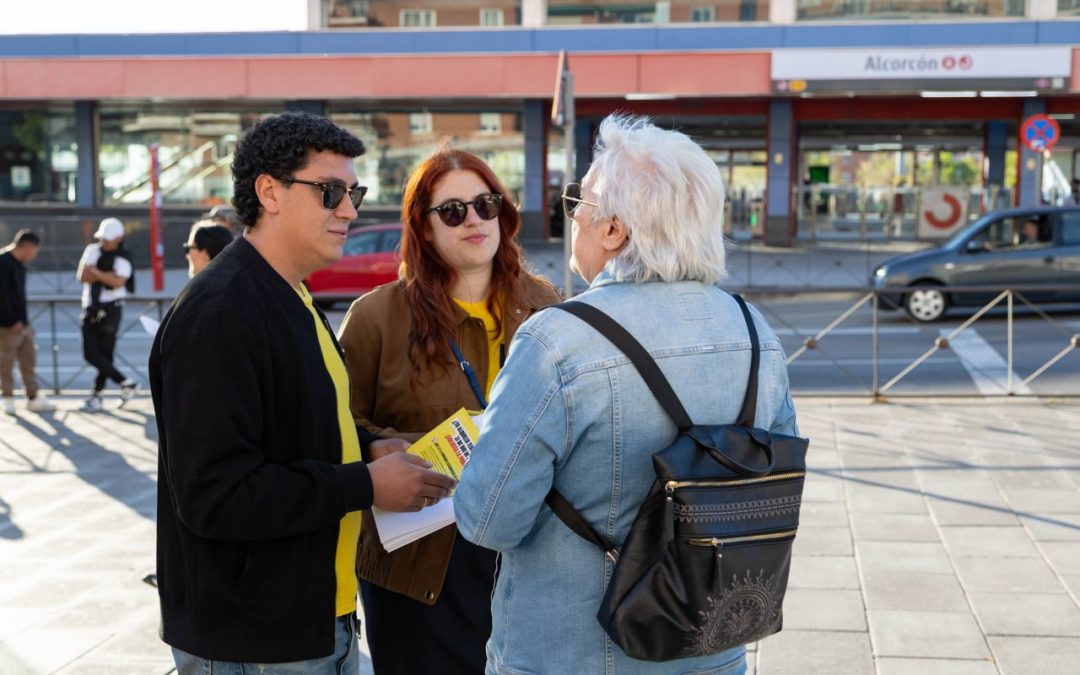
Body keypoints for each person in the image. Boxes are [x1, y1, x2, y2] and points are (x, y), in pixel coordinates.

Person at [454, 115, 800, 675]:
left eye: (578, 205)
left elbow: (489, 521)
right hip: (713, 643)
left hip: (572, 653)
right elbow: (774, 481)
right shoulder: (754, 330)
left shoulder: (557, 341)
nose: (573, 219)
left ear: (613, 230)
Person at [150, 111, 456, 675]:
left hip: (316, 619)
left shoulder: (290, 294)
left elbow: (301, 423)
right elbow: (215, 495)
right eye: (330, 192)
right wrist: (364, 483)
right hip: (255, 640)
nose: (349, 209)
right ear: (269, 191)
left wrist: (366, 448)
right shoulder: (222, 311)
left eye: (353, 191)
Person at [337, 149, 561, 674]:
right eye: (454, 211)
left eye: (486, 204)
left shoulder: (544, 306)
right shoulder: (377, 317)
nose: (476, 220)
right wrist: (376, 445)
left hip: (526, 554)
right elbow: (333, 421)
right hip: (419, 562)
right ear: (424, 226)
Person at [76, 217, 137, 412]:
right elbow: (82, 276)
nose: (105, 242)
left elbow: (118, 282)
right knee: (90, 353)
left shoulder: (124, 256)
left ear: (119, 238)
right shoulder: (92, 250)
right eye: (103, 238)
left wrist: (96, 273)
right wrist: (104, 275)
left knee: (105, 353)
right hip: (90, 307)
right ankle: (126, 382)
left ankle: (96, 395)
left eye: (109, 238)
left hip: (111, 309)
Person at [0, 230, 54, 415]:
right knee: (6, 362)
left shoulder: (20, 266)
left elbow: (19, 297)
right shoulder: (2, 262)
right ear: (27, 246)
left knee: (28, 359)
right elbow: (2, 296)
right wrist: (10, 320)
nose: (34, 255)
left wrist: (26, 324)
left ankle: (32, 397)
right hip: (6, 325)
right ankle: (7, 398)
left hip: (21, 324)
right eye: (34, 250)